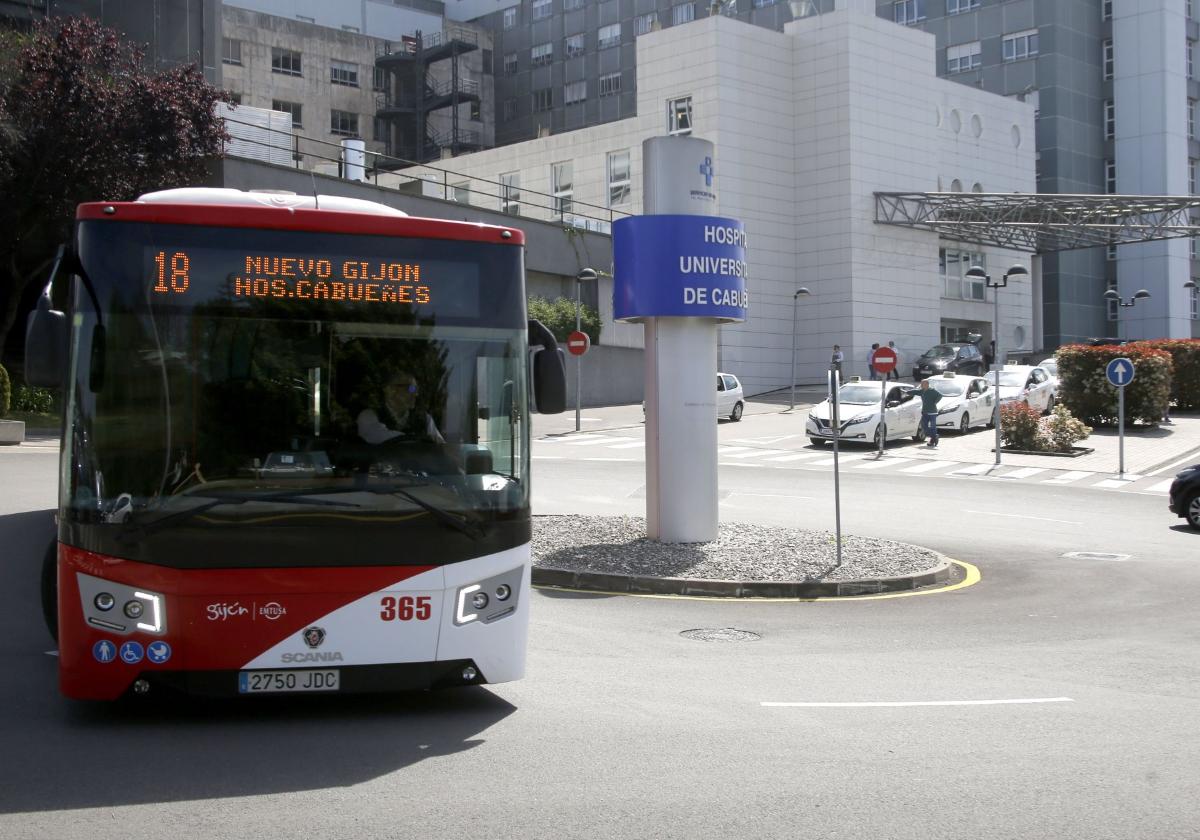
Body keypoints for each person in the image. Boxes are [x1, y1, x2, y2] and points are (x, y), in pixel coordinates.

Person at [357, 370, 445, 445]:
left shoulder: (425, 419)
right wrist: (421, 439)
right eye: (411, 389)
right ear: (390, 390)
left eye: (416, 389)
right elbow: (379, 436)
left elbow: (441, 447)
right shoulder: (369, 416)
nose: (416, 394)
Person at [918, 378, 943, 448]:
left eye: (922, 384)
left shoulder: (932, 391)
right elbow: (915, 392)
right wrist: (908, 392)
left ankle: (932, 440)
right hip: (925, 411)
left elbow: (940, 395)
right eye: (921, 384)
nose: (921, 385)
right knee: (923, 426)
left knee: (933, 426)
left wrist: (935, 402)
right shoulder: (922, 391)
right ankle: (934, 436)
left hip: (932, 412)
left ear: (927, 384)